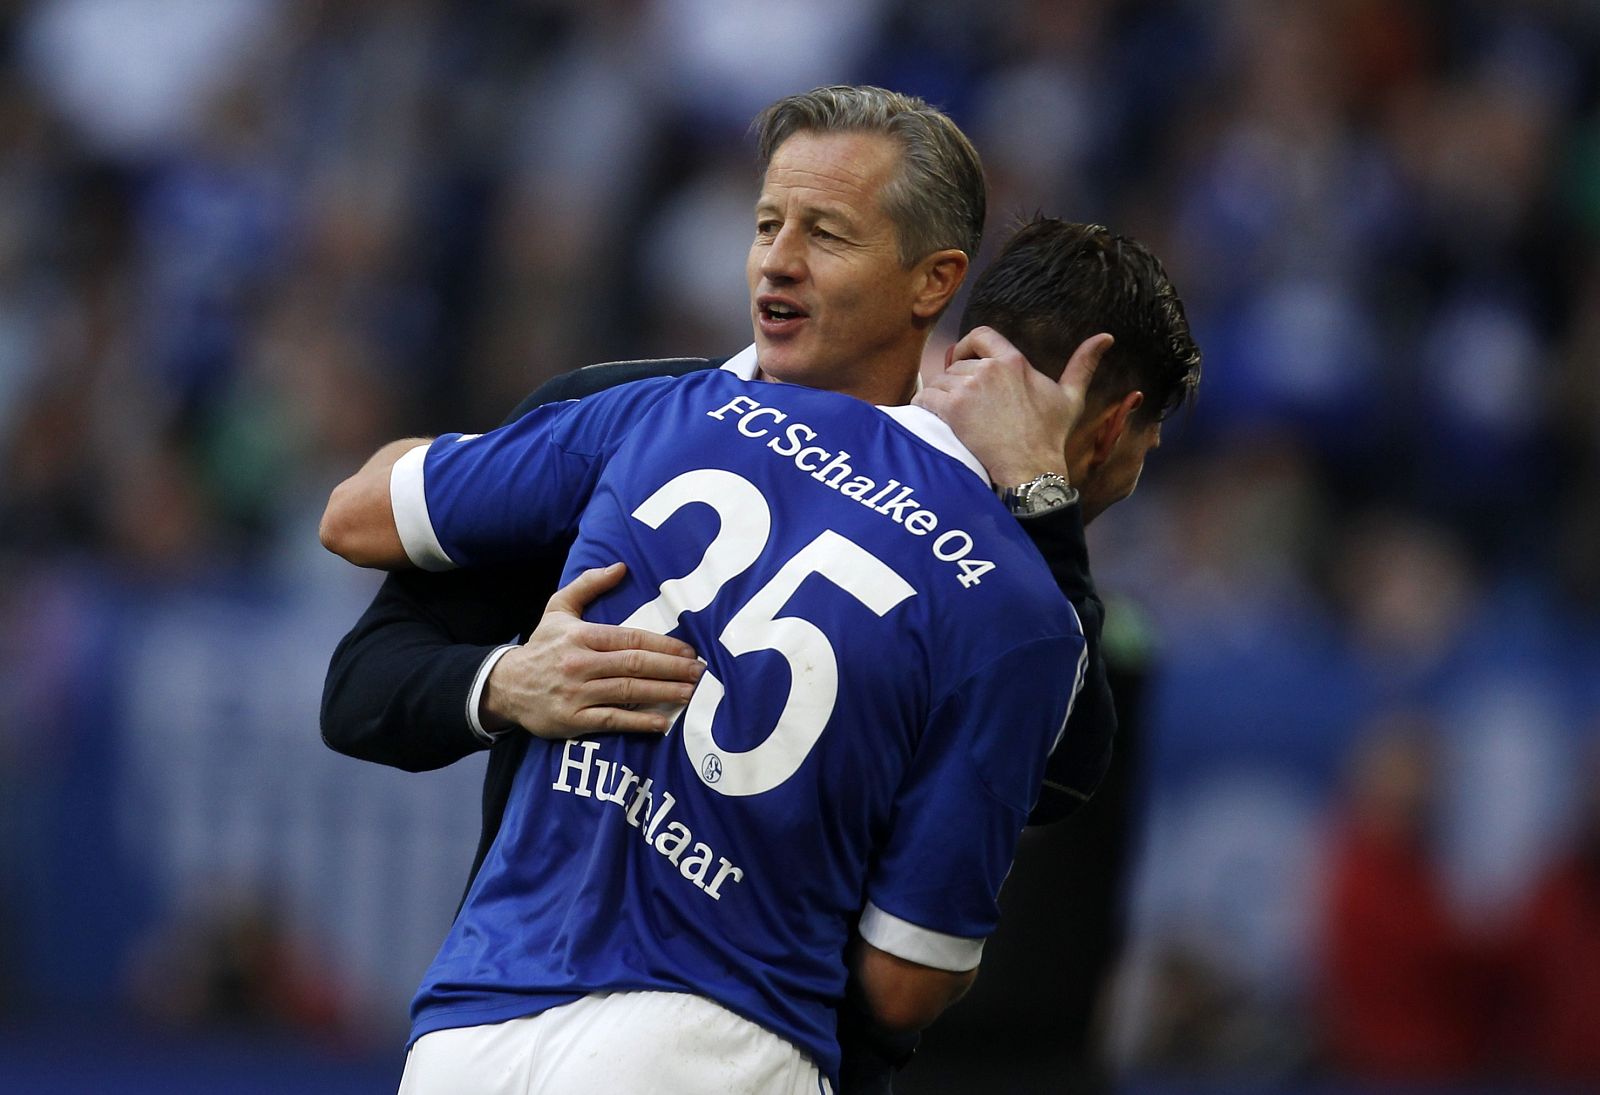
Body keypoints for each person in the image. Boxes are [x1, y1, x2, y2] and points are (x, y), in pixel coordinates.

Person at [319, 86, 1196, 1089]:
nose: (778, 259)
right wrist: (505, 684)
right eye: (767, 224)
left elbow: (1070, 757)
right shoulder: (626, 409)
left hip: (499, 1020)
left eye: (825, 234)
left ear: (933, 282)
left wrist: (1034, 512)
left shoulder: (652, 422)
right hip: (636, 1018)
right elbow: (363, 685)